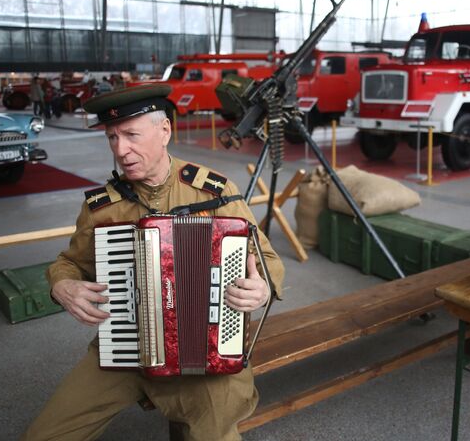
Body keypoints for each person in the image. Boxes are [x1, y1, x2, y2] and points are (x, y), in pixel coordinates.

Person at [22, 85, 284, 441]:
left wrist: (262, 287)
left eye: (131, 135)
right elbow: (69, 263)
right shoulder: (103, 207)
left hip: (205, 356)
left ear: (165, 132)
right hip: (126, 349)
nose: (120, 150)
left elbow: (265, 259)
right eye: (112, 137)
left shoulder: (216, 192)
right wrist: (61, 285)